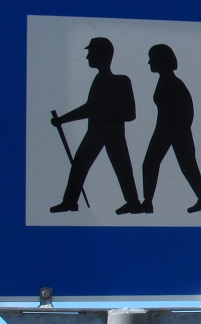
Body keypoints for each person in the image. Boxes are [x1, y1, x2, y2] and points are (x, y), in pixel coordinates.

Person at [50, 37, 144, 215]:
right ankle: (71, 201)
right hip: (101, 131)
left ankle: (133, 203)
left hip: (106, 132)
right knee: (83, 164)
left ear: (101, 55)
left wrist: (105, 111)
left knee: (120, 167)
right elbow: (90, 108)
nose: (87, 58)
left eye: (90, 53)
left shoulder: (121, 81)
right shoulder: (100, 80)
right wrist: (62, 119)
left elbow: (129, 114)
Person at [140, 44, 201, 214]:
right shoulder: (165, 80)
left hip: (173, 130)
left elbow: (187, 109)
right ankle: (148, 202)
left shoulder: (174, 83)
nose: (149, 62)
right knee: (152, 164)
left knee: (186, 165)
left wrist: (179, 130)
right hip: (166, 129)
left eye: (153, 58)